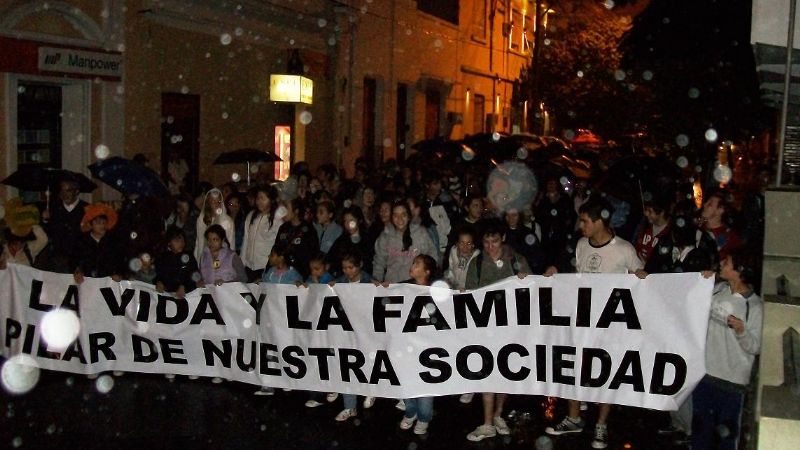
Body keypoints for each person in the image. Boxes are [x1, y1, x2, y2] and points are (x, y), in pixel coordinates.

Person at [543, 197, 645, 449]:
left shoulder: (624, 249)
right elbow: (579, 278)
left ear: (600, 221)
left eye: (586, 221)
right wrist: (557, 273)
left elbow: (640, 281)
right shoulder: (581, 244)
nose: (581, 225)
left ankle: (601, 424)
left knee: (605, 371)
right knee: (574, 366)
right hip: (582, 320)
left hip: (610, 325)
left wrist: (643, 277)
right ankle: (574, 416)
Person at [465, 219, 531, 442]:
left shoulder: (517, 261)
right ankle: (486, 423)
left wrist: (525, 282)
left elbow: (531, 293)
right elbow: (470, 297)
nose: (490, 247)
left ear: (503, 238)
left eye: (494, 241)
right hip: (486, 329)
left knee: (505, 372)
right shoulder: (477, 264)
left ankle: (498, 415)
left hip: (511, 328)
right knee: (487, 375)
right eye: (486, 242)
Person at [692, 248, 762, 450]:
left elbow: (755, 347)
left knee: (726, 437)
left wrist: (741, 331)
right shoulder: (717, 290)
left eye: (728, 262)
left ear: (739, 271)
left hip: (732, 383)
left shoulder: (754, 307)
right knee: (700, 431)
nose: (722, 263)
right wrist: (701, 280)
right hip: (706, 375)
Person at [321, 252, 375, 420]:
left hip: (365, 332)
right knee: (346, 365)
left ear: (359, 266)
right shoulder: (340, 282)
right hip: (346, 331)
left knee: (365, 362)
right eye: (344, 268)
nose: (347, 272)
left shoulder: (370, 282)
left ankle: (371, 390)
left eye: (351, 268)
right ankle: (349, 406)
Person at [397, 254, 438, 435]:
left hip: (428, 347)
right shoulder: (403, 287)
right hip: (407, 345)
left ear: (426, 272)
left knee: (425, 384)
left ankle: (424, 417)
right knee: (406, 380)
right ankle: (411, 411)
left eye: (417, 264)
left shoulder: (437, 292)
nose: (412, 265)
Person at [372, 201, 437, 283]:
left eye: (403, 215)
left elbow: (432, 255)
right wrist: (377, 280)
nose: (400, 219)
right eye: (396, 215)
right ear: (391, 217)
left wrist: (426, 279)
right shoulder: (385, 236)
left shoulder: (420, 233)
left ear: (409, 216)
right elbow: (379, 261)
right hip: (392, 284)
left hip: (415, 284)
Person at [41, 177, 88, 272]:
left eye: (68, 190)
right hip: (58, 258)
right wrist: (45, 220)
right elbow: (48, 232)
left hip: (80, 258)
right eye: (62, 191)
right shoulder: (54, 208)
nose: (64, 194)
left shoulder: (86, 209)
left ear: (77, 191)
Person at [73, 203, 126, 283]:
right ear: (91, 224)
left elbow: (120, 262)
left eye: (104, 223)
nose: (102, 226)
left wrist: (119, 274)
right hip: (87, 283)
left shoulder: (114, 241)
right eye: (98, 223)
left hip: (108, 284)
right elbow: (76, 260)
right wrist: (77, 271)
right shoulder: (82, 241)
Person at [240, 186, 282, 281]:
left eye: (263, 198)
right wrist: (242, 263)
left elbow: (278, 244)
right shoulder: (251, 216)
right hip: (249, 265)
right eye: (258, 198)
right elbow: (246, 240)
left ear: (271, 200)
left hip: (264, 266)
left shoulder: (277, 219)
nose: (259, 201)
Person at [275, 199, 319, 279]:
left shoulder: (309, 230)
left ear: (296, 211)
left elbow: (312, 255)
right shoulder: (283, 228)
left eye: (286, 209)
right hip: (283, 274)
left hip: (302, 275)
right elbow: (277, 249)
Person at [326, 206, 373, 278]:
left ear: (359, 220)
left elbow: (370, 263)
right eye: (345, 221)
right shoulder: (341, 240)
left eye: (351, 220)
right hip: (343, 281)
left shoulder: (368, 240)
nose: (348, 224)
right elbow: (331, 260)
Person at [155, 226, 198, 298]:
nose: (181, 243)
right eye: (177, 241)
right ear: (169, 243)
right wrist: (159, 282)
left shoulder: (189, 257)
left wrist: (184, 286)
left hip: (186, 297)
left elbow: (195, 276)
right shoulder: (162, 258)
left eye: (182, 240)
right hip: (167, 298)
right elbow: (158, 274)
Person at [699, 190, 741, 262]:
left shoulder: (730, 238)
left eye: (710, 204)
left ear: (720, 210)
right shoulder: (698, 229)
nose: (704, 205)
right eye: (706, 202)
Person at [195, 188, 235, 262]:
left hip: (221, 260)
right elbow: (198, 241)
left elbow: (231, 244)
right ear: (208, 203)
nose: (216, 205)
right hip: (204, 259)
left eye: (218, 201)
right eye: (213, 201)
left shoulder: (227, 221)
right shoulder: (201, 219)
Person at [443, 225, 479, 291]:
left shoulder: (477, 256)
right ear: (457, 243)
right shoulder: (453, 251)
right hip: (455, 288)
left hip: (470, 289)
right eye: (462, 243)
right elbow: (450, 270)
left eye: (468, 243)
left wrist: (467, 289)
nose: (465, 247)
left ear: (473, 245)